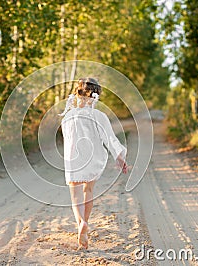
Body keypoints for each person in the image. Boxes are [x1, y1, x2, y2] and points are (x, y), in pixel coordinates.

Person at [60, 77, 128, 250]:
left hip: (73, 157)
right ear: (97, 95)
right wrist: (119, 157)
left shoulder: (68, 115)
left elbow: (67, 138)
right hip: (93, 157)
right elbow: (109, 139)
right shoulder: (99, 116)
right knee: (88, 190)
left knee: (75, 193)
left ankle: (81, 222)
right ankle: (86, 222)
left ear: (77, 94)